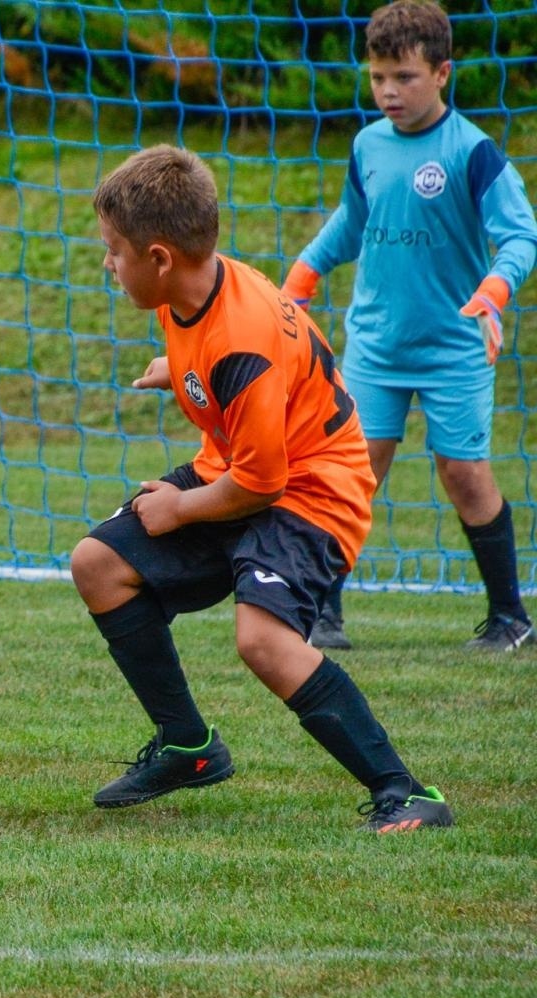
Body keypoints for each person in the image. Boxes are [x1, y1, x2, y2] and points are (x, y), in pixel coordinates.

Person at [72, 144, 451, 832]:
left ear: (159, 257)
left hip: (312, 492)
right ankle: (187, 747)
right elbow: (229, 375)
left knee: (263, 641)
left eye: (114, 251)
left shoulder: (241, 342)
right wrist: (178, 369)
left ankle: (405, 792)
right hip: (239, 469)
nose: (108, 264)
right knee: (97, 564)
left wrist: (180, 508)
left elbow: (263, 480)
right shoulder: (188, 295)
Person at [283, 0, 537, 653]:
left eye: (405, 77)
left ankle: (510, 618)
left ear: (442, 73)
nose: (389, 92)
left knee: (463, 473)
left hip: (454, 346)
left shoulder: (473, 152)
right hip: (376, 344)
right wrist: (305, 272)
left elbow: (520, 236)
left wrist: (493, 291)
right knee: (353, 471)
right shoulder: (367, 145)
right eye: (378, 78)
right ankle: (323, 613)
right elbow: (353, 222)